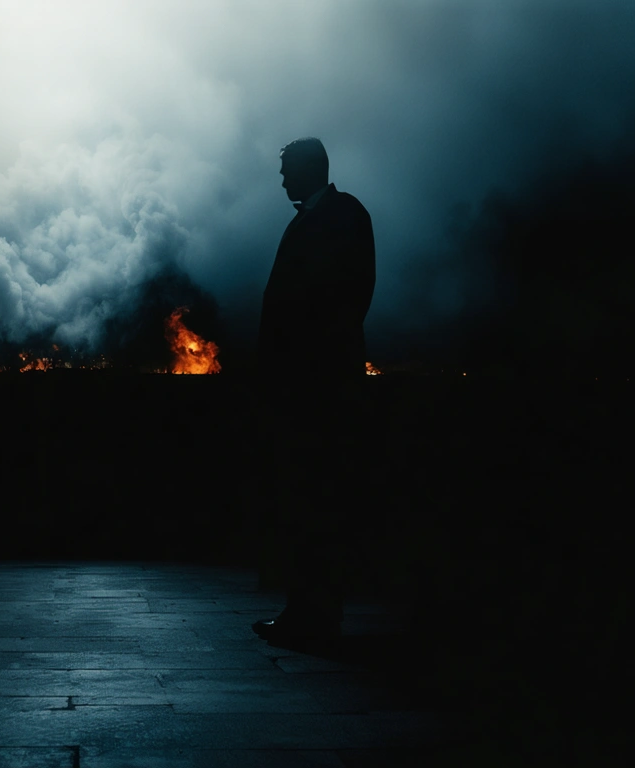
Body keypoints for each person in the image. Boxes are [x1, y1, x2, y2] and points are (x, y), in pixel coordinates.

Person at [252, 137, 376, 652]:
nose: (281, 179)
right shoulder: (328, 216)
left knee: (315, 501)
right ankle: (307, 610)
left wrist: (305, 357)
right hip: (308, 383)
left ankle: (314, 613)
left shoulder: (340, 216)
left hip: (318, 387)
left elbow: (349, 293)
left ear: (308, 169)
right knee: (306, 503)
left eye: (287, 170)